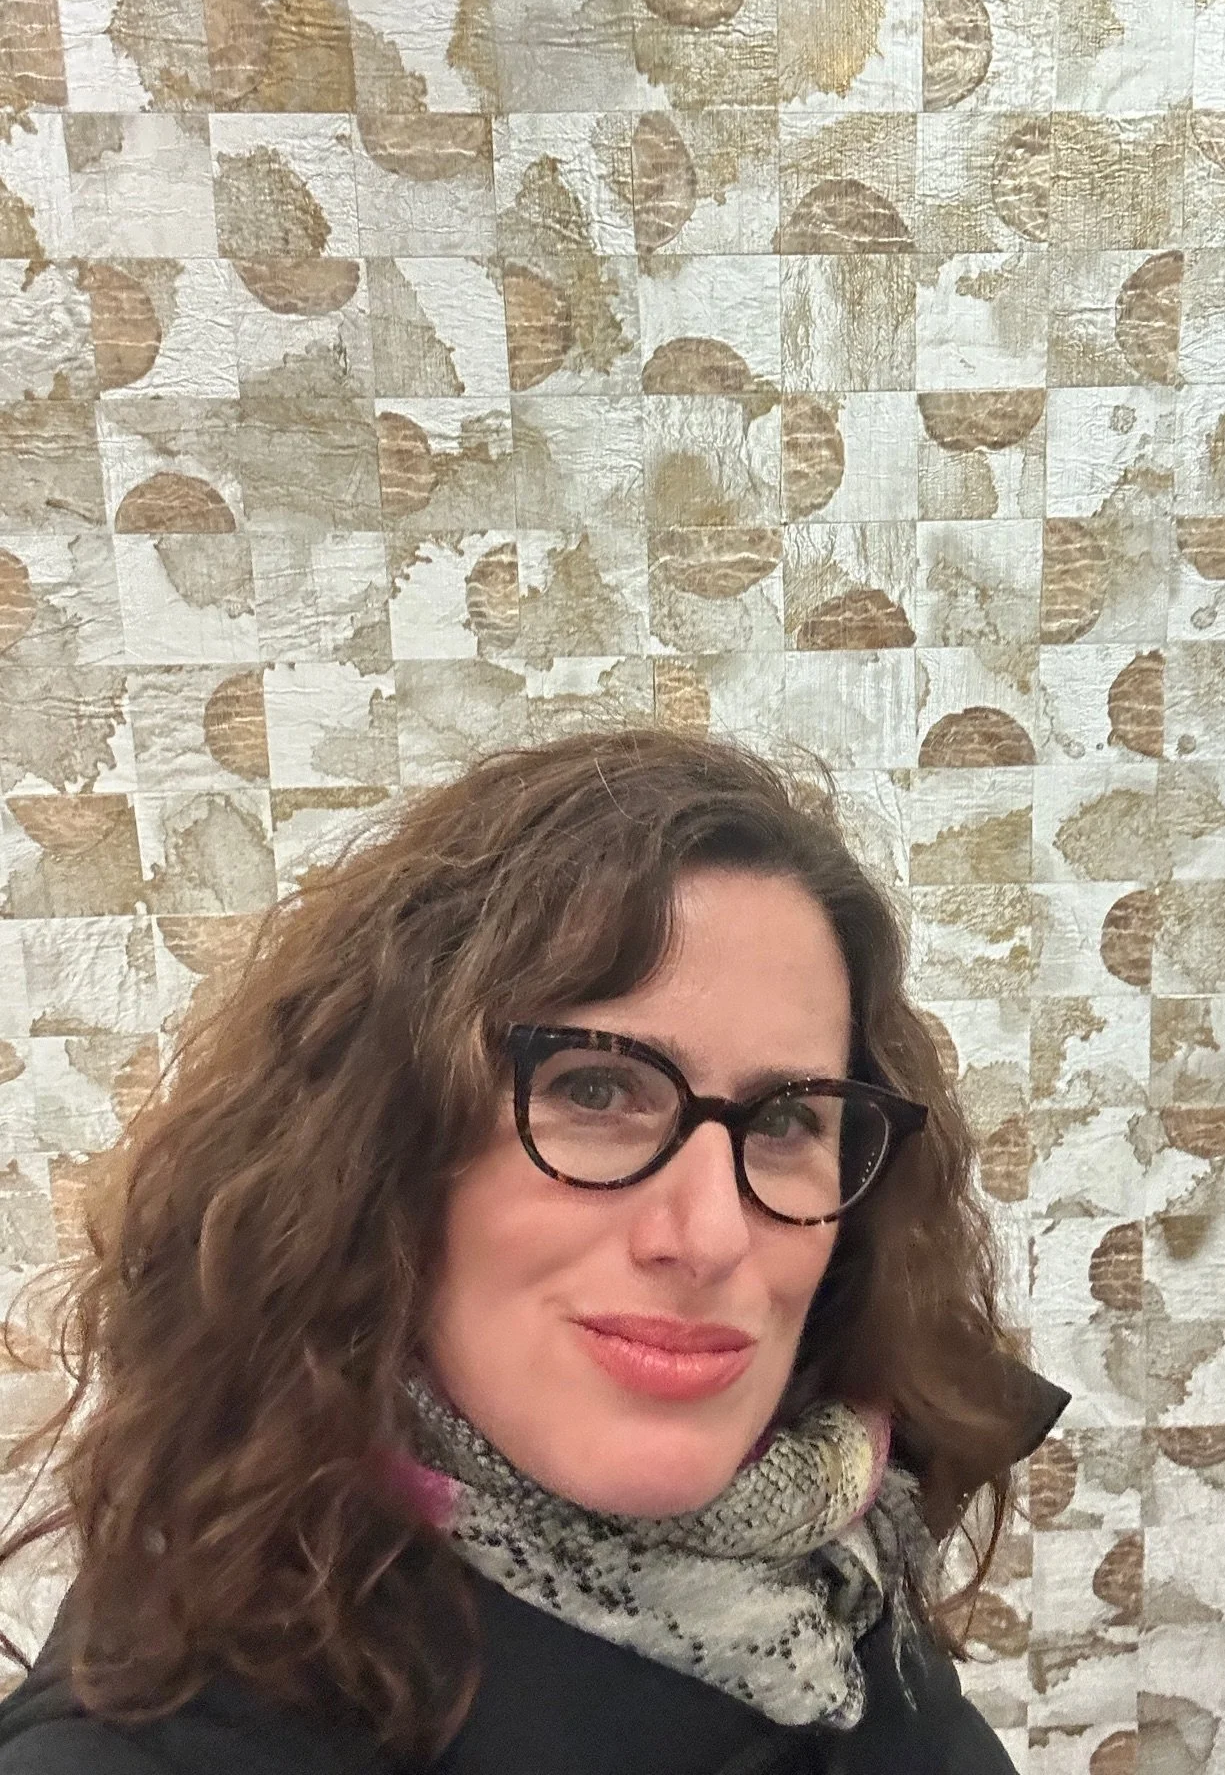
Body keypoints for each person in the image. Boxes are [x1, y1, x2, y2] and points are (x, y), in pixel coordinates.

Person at [0, 730, 1066, 1773]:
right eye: (595, 1090)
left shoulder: (838, 1555)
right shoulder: (154, 1742)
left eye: (788, 1119)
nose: (709, 1236)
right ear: (383, 1157)